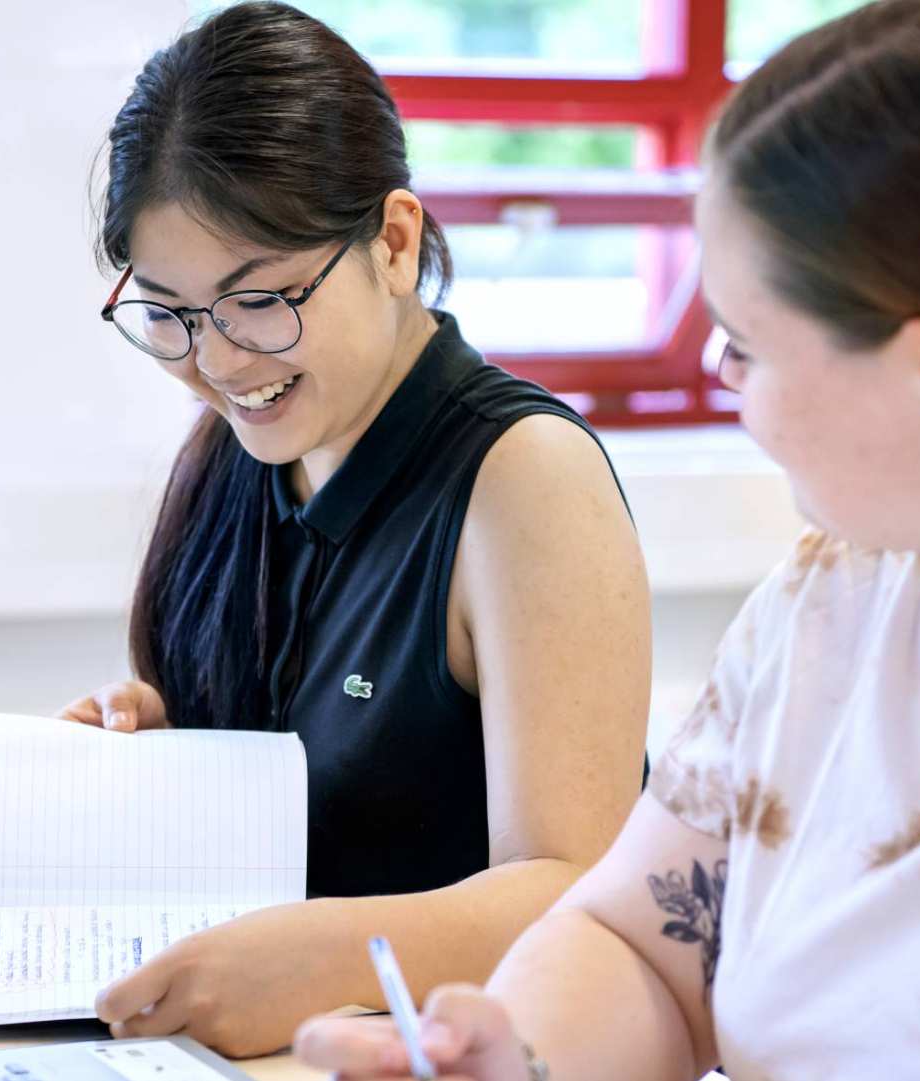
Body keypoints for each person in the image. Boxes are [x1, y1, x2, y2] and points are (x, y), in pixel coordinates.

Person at [295, 0, 920, 1076]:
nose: (720, 371)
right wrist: (516, 1058)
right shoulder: (840, 599)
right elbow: (646, 948)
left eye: (748, 342)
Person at [56, 1, 652, 1058]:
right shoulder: (249, 443)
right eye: (171, 314)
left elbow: (584, 893)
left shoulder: (523, 479)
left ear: (392, 239)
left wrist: (319, 953)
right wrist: (158, 739)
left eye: (261, 300)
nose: (223, 361)